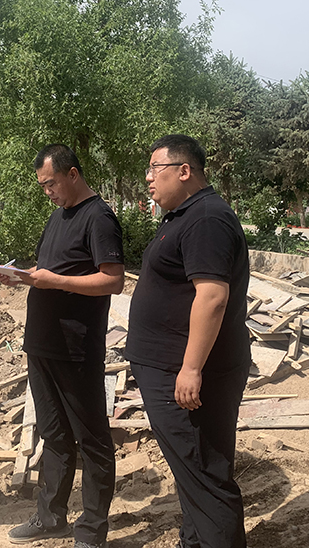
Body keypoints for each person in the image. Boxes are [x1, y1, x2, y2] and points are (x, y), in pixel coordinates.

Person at [124, 134, 251, 548]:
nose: (148, 178)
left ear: (184, 171)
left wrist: (191, 367)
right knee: (192, 471)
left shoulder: (206, 219)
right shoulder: (185, 215)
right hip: (167, 366)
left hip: (188, 373)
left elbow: (212, 296)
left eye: (154, 169)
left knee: (205, 474)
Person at [0, 144, 124, 548]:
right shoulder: (57, 217)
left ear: (72, 174)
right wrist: (22, 276)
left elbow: (113, 280)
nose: (47, 192)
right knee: (53, 434)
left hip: (75, 347)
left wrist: (55, 281)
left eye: (51, 183)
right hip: (42, 343)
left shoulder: (99, 217)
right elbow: (50, 270)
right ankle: (51, 517)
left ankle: (92, 530)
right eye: (42, 186)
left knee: (92, 439)